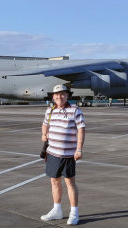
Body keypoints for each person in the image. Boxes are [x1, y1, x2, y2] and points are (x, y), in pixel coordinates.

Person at [40, 84, 85, 225]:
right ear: (53, 96)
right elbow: (44, 124)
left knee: (70, 183)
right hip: (52, 153)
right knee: (54, 181)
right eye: (57, 94)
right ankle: (57, 210)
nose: (60, 96)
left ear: (67, 96)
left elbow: (81, 130)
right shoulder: (50, 110)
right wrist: (43, 133)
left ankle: (74, 213)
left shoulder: (75, 110)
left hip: (68, 155)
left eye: (63, 94)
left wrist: (79, 149)